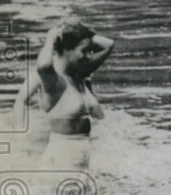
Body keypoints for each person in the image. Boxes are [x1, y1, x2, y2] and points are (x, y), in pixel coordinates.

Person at [35, 21, 115, 176]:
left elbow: (109, 44)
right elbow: (43, 65)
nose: (89, 56)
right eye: (84, 51)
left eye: (90, 51)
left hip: (80, 163)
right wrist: (52, 37)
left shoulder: (79, 76)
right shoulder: (55, 83)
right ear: (66, 50)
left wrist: (79, 31)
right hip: (59, 164)